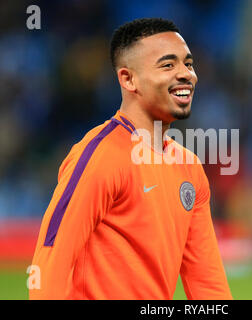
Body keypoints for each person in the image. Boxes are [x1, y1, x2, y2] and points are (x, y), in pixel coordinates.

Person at [29, 18, 232, 300]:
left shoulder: (190, 168)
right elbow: (51, 259)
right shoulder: (101, 156)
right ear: (128, 79)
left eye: (188, 63)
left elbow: (208, 283)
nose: (187, 74)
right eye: (168, 65)